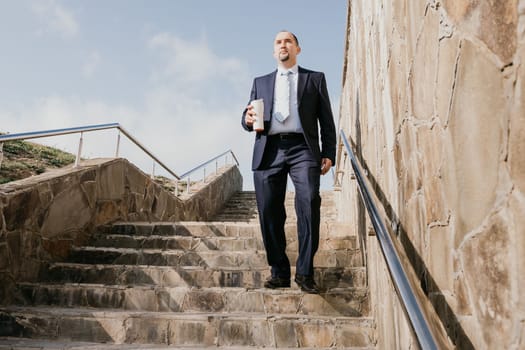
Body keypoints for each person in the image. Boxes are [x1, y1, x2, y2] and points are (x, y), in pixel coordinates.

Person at [241, 30, 336, 294]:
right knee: (269, 211)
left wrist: (328, 152)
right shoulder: (260, 82)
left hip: (302, 149)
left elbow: (326, 119)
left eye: (288, 41)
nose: (283, 45)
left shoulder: (314, 79)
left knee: (309, 202)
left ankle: (305, 272)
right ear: (274, 51)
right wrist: (247, 120)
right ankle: (279, 271)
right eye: (278, 42)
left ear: (297, 49)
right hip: (268, 149)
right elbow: (247, 116)